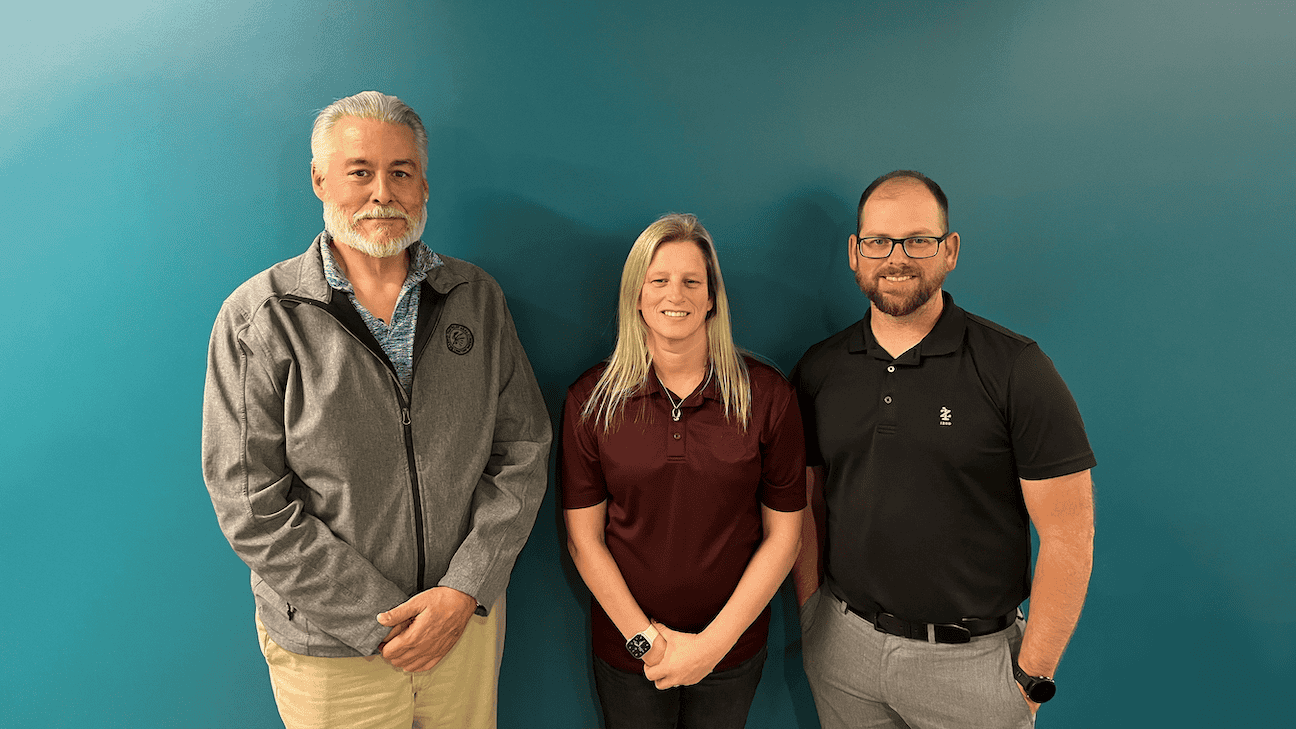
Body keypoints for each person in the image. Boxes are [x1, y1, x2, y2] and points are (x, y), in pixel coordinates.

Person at [201, 91, 550, 729]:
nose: (381, 192)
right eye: (360, 171)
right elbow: (249, 504)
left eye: (400, 172)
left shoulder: (476, 299)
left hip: (460, 632)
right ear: (320, 180)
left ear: (423, 185)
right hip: (331, 652)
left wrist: (464, 588)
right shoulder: (261, 319)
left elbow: (522, 452)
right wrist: (377, 619)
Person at [791, 170, 1096, 728]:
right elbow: (807, 504)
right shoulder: (819, 369)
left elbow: (1069, 536)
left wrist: (1032, 677)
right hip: (844, 653)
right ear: (855, 254)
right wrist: (813, 615)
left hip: (972, 669)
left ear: (949, 250)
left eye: (919, 241)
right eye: (879, 242)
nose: (897, 258)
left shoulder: (1015, 369)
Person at [560, 214, 806, 729]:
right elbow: (585, 541)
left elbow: (785, 536)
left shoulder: (767, 396)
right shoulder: (591, 401)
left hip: (732, 652)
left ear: (712, 297)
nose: (677, 294)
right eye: (660, 280)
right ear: (637, 296)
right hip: (629, 653)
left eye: (693, 281)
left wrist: (711, 647)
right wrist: (647, 642)